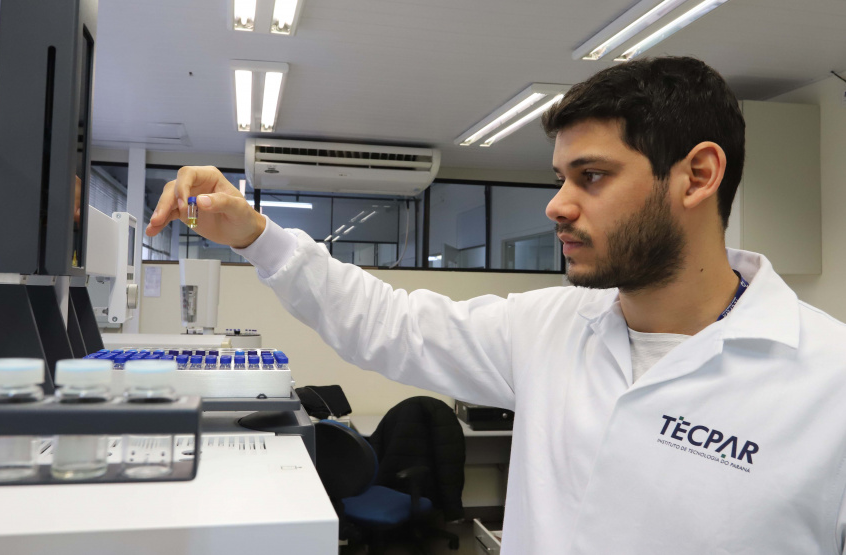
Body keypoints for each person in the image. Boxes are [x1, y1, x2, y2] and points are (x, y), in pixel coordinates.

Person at [146, 57, 846, 554]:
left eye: (591, 176)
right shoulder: (546, 327)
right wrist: (256, 236)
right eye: (558, 176)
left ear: (697, 175)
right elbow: (385, 322)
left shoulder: (827, 380)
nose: (556, 204)